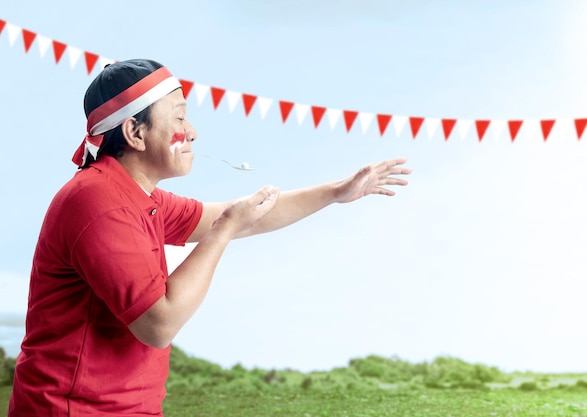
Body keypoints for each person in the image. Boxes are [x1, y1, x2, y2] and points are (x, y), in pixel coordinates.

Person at [8, 59, 410, 416]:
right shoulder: (99, 203)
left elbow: (244, 216)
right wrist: (224, 231)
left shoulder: (137, 195)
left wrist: (335, 193)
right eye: (179, 118)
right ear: (134, 131)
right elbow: (158, 324)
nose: (193, 132)